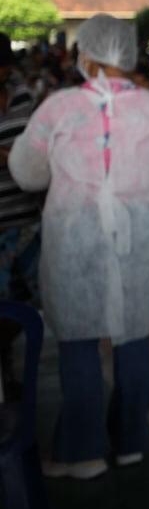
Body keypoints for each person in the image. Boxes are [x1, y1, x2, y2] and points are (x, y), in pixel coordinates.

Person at [10, 15, 149, 479]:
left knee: (78, 342)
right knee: (134, 338)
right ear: (126, 57)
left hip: (76, 235)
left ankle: (83, 451)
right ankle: (130, 441)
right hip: (140, 236)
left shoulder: (59, 107)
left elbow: (26, 173)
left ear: (87, 56)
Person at [0, 33, 41, 397]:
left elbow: (34, 150)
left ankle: (10, 366)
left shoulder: (24, 96)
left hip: (24, 218)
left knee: (26, 302)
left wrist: (10, 157)